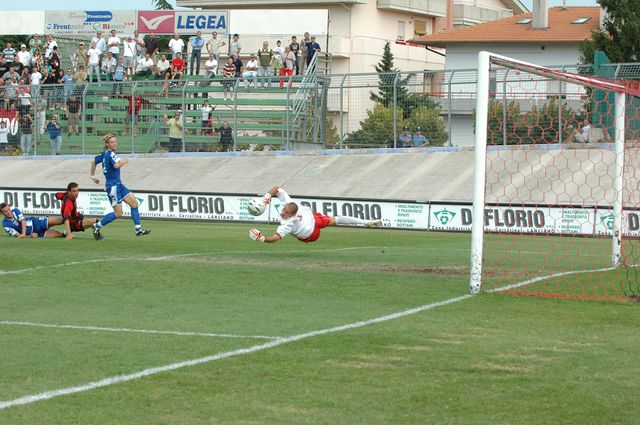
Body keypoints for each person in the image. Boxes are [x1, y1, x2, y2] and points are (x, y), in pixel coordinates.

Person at [248, 186, 381, 244]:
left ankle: (366, 222)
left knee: (336, 220)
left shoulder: (288, 223)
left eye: (285, 212)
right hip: (311, 227)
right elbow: (276, 189)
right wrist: (266, 198)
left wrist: (262, 238)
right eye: (283, 211)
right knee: (333, 220)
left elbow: (275, 238)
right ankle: (366, 222)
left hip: (311, 227)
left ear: (292, 214)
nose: (282, 213)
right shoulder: (289, 206)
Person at [90, 133, 151, 239]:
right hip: (113, 187)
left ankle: (138, 229)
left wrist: (92, 175)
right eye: (112, 142)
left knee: (134, 203)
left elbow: (94, 161)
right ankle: (96, 226)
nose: (114, 143)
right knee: (118, 213)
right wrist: (124, 161)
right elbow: (116, 165)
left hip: (118, 184)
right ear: (108, 144)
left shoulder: (104, 154)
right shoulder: (111, 154)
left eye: (115, 141)